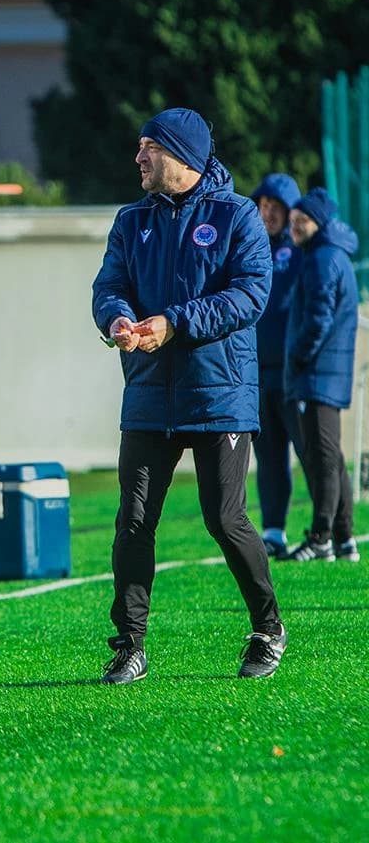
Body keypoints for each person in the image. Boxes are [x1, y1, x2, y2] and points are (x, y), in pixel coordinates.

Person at [92, 107, 286, 685]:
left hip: (219, 395)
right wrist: (119, 320)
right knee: (132, 521)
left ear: (182, 155)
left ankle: (267, 628)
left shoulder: (237, 217)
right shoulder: (131, 221)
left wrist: (173, 323)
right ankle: (129, 644)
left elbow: (250, 295)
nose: (139, 157)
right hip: (149, 394)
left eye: (149, 146)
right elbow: (109, 286)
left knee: (224, 519)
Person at [282, 188, 360, 563]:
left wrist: (297, 357)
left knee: (323, 457)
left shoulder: (321, 260)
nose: (295, 226)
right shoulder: (329, 255)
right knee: (332, 456)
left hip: (318, 374)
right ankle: (345, 539)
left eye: (303, 220)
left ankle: (322, 537)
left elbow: (319, 319)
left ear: (320, 223)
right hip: (326, 372)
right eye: (293, 219)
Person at [249, 174, 305, 558]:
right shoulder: (248, 249)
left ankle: (333, 531)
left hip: (294, 373)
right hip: (256, 373)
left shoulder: (302, 252)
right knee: (268, 457)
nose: (267, 213)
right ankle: (273, 531)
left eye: (275, 207)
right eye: (263, 205)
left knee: (312, 453)